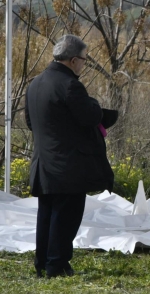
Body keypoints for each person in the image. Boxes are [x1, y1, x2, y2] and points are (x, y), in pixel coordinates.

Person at [25, 34, 116, 278]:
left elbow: (30, 122)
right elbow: (89, 116)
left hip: (43, 164)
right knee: (65, 218)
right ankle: (57, 266)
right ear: (74, 60)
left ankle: (42, 263)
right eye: (84, 61)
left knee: (46, 217)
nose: (83, 65)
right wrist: (96, 105)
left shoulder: (34, 83)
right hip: (68, 167)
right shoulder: (70, 85)